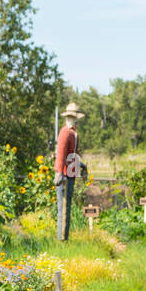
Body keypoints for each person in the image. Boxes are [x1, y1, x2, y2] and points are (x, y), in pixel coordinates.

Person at [54, 103, 85, 241]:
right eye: (71, 117)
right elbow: (61, 153)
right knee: (63, 208)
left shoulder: (73, 133)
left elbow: (73, 154)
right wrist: (60, 172)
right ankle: (61, 240)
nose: (72, 119)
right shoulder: (65, 132)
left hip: (70, 173)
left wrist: (82, 166)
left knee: (67, 208)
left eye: (73, 117)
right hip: (64, 175)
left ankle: (64, 238)